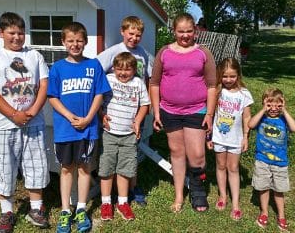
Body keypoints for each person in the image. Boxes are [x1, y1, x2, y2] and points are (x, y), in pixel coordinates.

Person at [0, 12, 50, 233]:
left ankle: (36, 209)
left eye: (20, 33)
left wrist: (34, 110)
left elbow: (44, 85)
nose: (17, 37)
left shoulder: (34, 56)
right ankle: (7, 211)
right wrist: (13, 114)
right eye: (11, 33)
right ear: (1, 33)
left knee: (36, 164)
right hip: (3, 124)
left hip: (33, 122)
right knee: (5, 165)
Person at [47, 22, 111, 233]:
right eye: (71, 41)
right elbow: (53, 97)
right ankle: (66, 210)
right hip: (65, 129)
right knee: (66, 169)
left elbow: (99, 94)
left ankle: (81, 208)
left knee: (84, 168)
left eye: (79, 41)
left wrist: (88, 118)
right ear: (63, 42)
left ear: (85, 42)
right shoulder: (57, 68)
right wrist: (69, 115)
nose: (75, 45)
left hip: (88, 128)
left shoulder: (93, 66)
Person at [150, 12, 217, 213]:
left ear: (195, 31)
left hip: (197, 110)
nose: (185, 35)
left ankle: (197, 191)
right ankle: (179, 194)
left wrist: (209, 114)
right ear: (174, 31)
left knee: (197, 155)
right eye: (181, 31)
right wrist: (156, 112)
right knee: (177, 153)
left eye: (189, 31)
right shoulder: (164, 52)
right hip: (169, 111)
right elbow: (154, 83)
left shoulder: (204, 53)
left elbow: (213, 85)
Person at [97, 15, 153, 206]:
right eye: (131, 33)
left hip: (136, 112)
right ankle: (112, 194)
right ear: (123, 31)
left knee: (131, 152)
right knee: (111, 155)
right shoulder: (114, 51)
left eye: (138, 35)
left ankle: (131, 188)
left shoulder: (143, 53)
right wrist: (100, 111)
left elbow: (149, 76)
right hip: (115, 114)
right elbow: (96, 70)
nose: (134, 38)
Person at [99, 52, 150, 221]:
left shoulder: (138, 83)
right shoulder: (108, 79)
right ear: (113, 68)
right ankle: (106, 202)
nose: (123, 73)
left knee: (125, 169)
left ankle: (122, 202)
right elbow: (97, 99)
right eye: (119, 69)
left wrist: (137, 121)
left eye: (127, 70)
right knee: (107, 168)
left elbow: (144, 104)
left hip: (129, 135)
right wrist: (101, 115)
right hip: (109, 133)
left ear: (134, 70)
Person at [206, 58, 253, 220]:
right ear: (220, 75)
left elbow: (247, 117)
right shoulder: (217, 92)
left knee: (233, 168)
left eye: (232, 76)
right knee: (220, 166)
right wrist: (209, 136)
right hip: (219, 138)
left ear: (238, 75)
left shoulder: (244, 94)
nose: (228, 80)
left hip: (235, 140)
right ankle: (222, 196)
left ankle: (235, 204)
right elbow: (210, 115)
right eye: (225, 76)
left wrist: (246, 137)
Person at [248, 88, 295, 231]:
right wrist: (263, 109)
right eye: (270, 105)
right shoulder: (262, 118)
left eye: (278, 105)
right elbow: (250, 125)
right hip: (262, 160)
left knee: (279, 190)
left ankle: (281, 215)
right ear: (264, 104)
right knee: (263, 187)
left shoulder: (283, 119)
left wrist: (285, 111)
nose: (273, 109)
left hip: (280, 163)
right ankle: (264, 212)